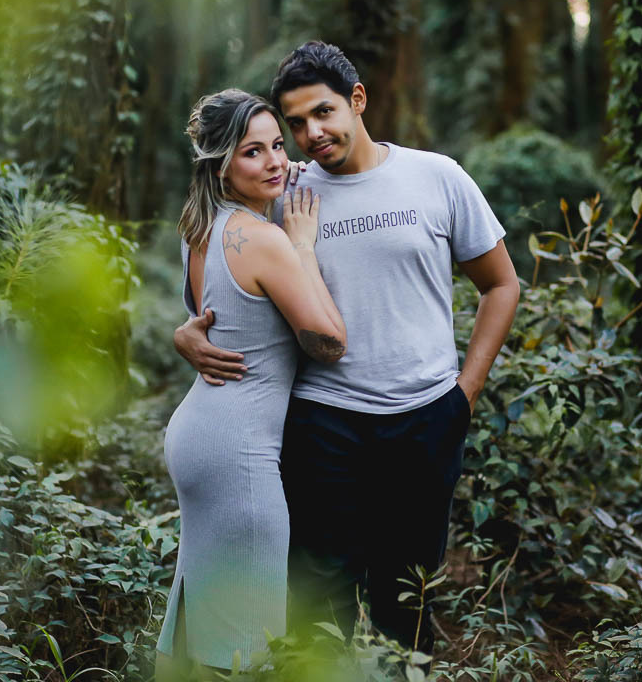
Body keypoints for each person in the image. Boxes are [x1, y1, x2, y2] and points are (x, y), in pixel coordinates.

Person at [174, 42, 520, 654]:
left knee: (406, 604)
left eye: (324, 113)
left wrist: (463, 397)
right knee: (315, 611)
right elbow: (225, 265)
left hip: (424, 421)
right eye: (296, 124)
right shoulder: (283, 189)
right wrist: (186, 334)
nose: (310, 135)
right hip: (321, 424)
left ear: (357, 101)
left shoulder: (435, 176)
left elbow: (501, 284)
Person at [155, 88, 348, 678]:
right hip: (239, 452)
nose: (272, 162)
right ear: (220, 163)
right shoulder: (263, 239)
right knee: (247, 639)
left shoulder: (200, 227)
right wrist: (303, 246)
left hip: (198, 434)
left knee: (197, 614)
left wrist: (181, 334)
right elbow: (329, 341)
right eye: (251, 152)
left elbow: (205, 316)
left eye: (276, 147)